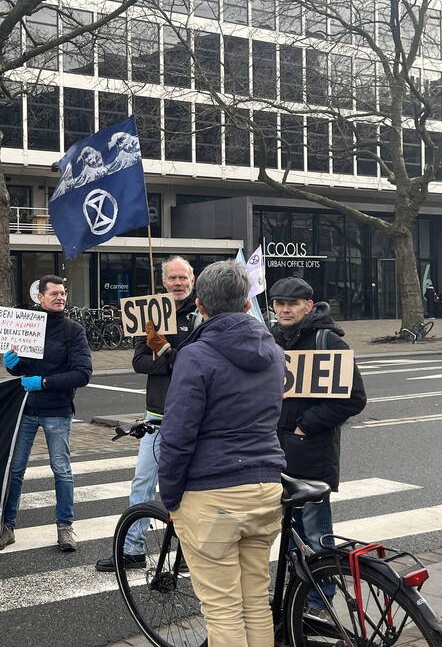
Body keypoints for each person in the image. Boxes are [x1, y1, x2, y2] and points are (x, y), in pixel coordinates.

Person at [158, 260, 287, 647]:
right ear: (248, 305)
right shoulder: (274, 351)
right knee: (254, 604)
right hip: (265, 485)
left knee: (222, 610)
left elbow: (178, 434)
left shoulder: (195, 355)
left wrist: (170, 496)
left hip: (212, 491)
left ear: (200, 305)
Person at [95, 256, 201, 572]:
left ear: (192, 281)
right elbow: (139, 362)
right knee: (142, 482)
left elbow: (199, 363)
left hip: (192, 416)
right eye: (172, 278)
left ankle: (187, 553)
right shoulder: (152, 316)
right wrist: (169, 359)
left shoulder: (201, 317)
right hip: (156, 414)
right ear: (164, 281)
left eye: (183, 277)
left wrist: (167, 352)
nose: (178, 283)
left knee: (190, 487)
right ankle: (132, 551)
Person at [269, 276, 366, 615]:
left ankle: (319, 600)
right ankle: (298, 597)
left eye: (291, 304)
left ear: (308, 306)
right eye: (279, 303)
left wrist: (305, 425)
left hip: (312, 453)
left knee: (316, 534)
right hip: (279, 451)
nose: (284, 309)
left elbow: (354, 399)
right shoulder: (273, 339)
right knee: (291, 534)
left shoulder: (328, 341)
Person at [0, 275, 92, 553]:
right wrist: (13, 365)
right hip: (26, 409)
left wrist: (44, 382)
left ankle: (65, 528)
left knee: (61, 470)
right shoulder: (27, 328)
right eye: (54, 293)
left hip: (57, 410)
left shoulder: (73, 331)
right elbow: (22, 370)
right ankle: (7, 527)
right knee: (15, 469)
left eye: (63, 293)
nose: (60, 297)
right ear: (40, 298)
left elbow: (82, 374)